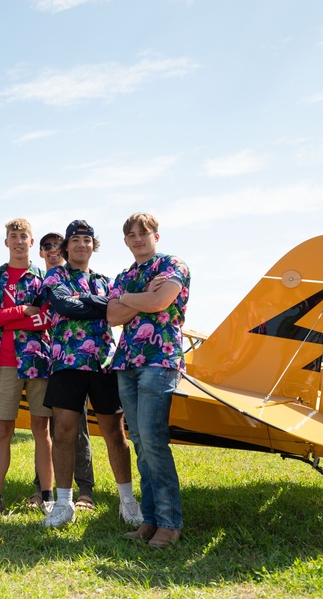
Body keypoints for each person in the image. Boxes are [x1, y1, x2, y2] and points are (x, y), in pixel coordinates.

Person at [41, 220, 142, 529]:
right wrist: (102, 305)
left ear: (93, 245)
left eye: (87, 240)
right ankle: (63, 503)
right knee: (63, 432)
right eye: (76, 240)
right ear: (65, 247)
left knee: (114, 432)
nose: (82, 245)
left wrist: (89, 301)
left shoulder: (103, 280)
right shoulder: (54, 276)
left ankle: (127, 501)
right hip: (66, 364)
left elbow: (114, 310)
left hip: (103, 363)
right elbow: (64, 306)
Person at [107, 212, 191, 549]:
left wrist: (128, 298)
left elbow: (160, 302)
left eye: (144, 233)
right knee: (140, 442)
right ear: (125, 241)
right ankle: (151, 521)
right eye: (131, 235)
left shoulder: (173, 265)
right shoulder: (125, 274)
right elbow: (112, 316)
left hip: (159, 360)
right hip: (126, 361)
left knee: (154, 441)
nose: (138, 239)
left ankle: (170, 524)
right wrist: (139, 297)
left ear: (156, 235)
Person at [0, 218, 53, 518]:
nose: (19, 241)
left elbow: (48, 318)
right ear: (6, 242)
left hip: (38, 361)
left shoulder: (45, 278)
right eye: (13, 236)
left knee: (41, 429)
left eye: (24, 236)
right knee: (3, 429)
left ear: (32, 242)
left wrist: (6, 318)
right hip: (4, 362)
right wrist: (21, 311)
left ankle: (47, 496)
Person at [32, 231, 97, 512]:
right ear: (41, 252)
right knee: (45, 429)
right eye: (47, 246)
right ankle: (43, 488)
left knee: (75, 426)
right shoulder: (36, 281)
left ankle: (85, 489)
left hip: (71, 360)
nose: (52, 249)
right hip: (37, 361)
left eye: (58, 245)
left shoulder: (79, 278)